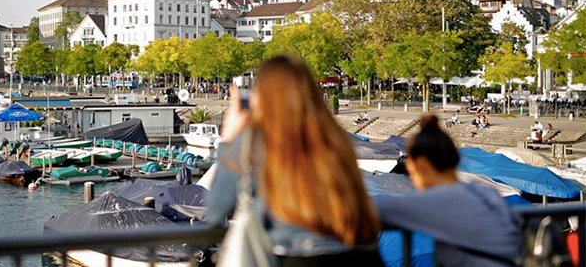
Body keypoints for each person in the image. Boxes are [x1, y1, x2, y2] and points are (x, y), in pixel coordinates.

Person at [207, 55, 382, 266]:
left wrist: (229, 139)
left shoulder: (255, 140)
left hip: (298, 256)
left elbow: (216, 211)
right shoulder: (334, 137)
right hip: (360, 254)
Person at [374, 115, 521, 266]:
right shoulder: (486, 194)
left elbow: (369, 208)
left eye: (410, 171)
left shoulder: (436, 200)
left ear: (420, 166)